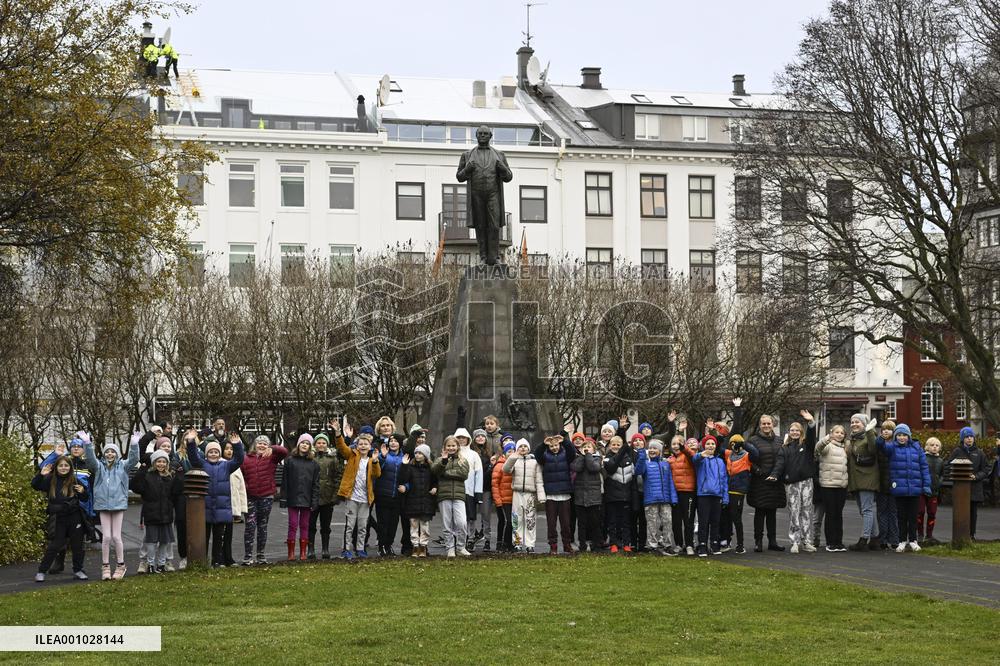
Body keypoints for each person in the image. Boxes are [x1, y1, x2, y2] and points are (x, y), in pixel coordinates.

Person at [84, 432, 139, 580]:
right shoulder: (99, 467)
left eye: (112, 451)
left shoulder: (123, 466)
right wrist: (87, 444)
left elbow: (134, 459)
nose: (110, 454)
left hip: (118, 505)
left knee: (116, 536)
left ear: (117, 454)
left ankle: (121, 565)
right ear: (103, 454)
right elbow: (90, 460)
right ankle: (106, 566)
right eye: (107, 451)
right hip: (103, 505)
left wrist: (134, 445)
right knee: (106, 537)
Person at [455, 125, 513, 265]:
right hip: (476, 195)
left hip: (493, 194)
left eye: (485, 133)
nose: (482, 135)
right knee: (480, 226)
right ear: (476, 135)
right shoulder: (467, 155)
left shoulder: (500, 155)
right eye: (480, 133)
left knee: (493, 226)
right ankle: (483, 257)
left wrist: (502, 168)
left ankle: (494, 257)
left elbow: (509, 177)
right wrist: (468, 168)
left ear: (490, 136)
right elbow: (459, 177)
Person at [187, 432, 245, 567]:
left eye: (216, 452)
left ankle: (216, 561)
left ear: (219, 454)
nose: (213, 454)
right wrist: (191, 442)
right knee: (204, 537)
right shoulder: (202, 464)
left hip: (221, 509)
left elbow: (239, 460)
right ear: (206, 454)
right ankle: (203, 561)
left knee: (219, 538)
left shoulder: (226, 466)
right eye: (211, 452)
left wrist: (237, 445)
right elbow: (193, 457)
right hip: (206, 508)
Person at [767, 411, 818, 554]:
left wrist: (811, 422)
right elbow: (779, 464)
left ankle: (807, 541)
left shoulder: (807, 445)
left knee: (807, 512)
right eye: (792, 430)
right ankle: (795, 542)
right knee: (794, 512)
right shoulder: (785, 448)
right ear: (788, 432)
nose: (794, 432)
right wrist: (774, 475)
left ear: (801, 432)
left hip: (806, 482)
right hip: (792, 484)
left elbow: (812, 437)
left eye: (797, 430)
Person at [32, 457, 89, 582]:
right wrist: (40, 475)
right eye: (61, 466)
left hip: (75, 517)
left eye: (66, 466)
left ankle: (78, 570)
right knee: (55, 545)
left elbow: (85, 498)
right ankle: (41, 571)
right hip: (58, 518)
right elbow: (35, 485)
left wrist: (83, 491)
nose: (63, 468)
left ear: (70, 467)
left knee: (77, 545)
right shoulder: (50, 480)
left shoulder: (75, 480)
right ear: (56, 467)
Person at [876, 423, 930, 552]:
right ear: (895, 436)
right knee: (901, 517)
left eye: (904, 435)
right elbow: (880, 446)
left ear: (909, 436)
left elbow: (924, 467)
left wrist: (927, 485)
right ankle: (901, 541)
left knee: (913, 516)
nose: (901, 438)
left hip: (915, 489)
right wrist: (881, 437)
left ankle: (913, 540)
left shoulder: (917, 448)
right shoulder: (892, 448)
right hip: (899, 489)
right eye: (899, 435)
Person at [129, 450, 184, 573]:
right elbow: (135, 486)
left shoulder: (170, 477)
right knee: (151, 541)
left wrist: (180, 475)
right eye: (158, 461)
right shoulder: (148, 476)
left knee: (165, 540)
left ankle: (161, 563)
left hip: (166, 514)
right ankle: (150, 563)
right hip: (151, 514)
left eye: (164, 462)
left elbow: (176, 491)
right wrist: (141, 471)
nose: (161, 464)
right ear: (154, 463)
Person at [333, 421, 380, 559]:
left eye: (366, 444)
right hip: (352, 497)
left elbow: (377, 474)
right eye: (360, 444)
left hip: (366, 499)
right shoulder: (352, 455)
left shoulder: (372, 460)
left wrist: (376, 461)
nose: (363, 446)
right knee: (350, 526)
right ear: (357, 446)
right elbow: (342, 447)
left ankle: (360, 548)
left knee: (362, 526)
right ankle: (347, 549)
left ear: (370, 446)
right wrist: (338, 432)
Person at [240, 434, 288, 565]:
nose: (261, 445)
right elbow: (242, 475)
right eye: (259, 443)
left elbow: (284, 452)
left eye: (264, 444)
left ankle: (261, 555)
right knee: (249, 526)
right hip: (250, 497)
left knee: (262, 526)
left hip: (266, 496)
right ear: (254, 445)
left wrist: (272, 448)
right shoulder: (246, 459)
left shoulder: (272, 458)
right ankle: (248, 556)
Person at [747, 414, 786, 553]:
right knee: (759, 512)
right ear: (760, 425)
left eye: (768, 423)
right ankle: (758, 542)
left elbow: (783, 459)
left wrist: (776, 474)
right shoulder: (752, 440)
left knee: (772, 513)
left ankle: (772, 541)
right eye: (763, 424)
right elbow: (747, 460)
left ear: (773, 424)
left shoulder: (780, 441)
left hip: (775, 482)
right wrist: (758, 471)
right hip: (759, 482)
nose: (766, 426)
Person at [534, 431, 576, 554]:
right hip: (551, 495)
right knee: (551, 524)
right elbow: (537, 455)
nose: (554, 448)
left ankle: (567, 544)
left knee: (566, 524)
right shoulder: (545, 457)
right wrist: (543, 444)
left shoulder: (565, 455)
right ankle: (553, 546)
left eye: (556, 445)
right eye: (551, 446)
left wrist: (564, 440)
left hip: (564, 493)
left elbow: (572, 452)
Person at [635, 438, 679, 555]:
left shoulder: (666, 464)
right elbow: (638, 471)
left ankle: (667, 544)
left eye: (655, 448)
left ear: (660, 451)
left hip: (665, 500)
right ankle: (652, 546)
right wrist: (641, 452)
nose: (652, 450)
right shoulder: (645, 464)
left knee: (667, 522)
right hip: (651, 499)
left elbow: (670, 482)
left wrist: (673, 498)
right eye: (650, 448)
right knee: (652, 523)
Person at [946, 426, 990, 540]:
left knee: (973, 513)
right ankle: (961, 534)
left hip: (975, 488)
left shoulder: (980, 453)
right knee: (961, 512)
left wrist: (976, 476)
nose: (969, 439)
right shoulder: (957, 451)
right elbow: (949, 465)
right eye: (966, 437)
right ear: (962, 439)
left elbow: (986, 469)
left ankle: (972, 534)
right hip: (960, 489)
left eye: (971, 436)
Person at [503, 437, 546, 553]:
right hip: (517, 493)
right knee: (516, 520)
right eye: (520, 446)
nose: (523, 448)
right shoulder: (514, 460)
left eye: (525, 446)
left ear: (528, 448)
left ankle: (530, 544)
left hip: (530, 494)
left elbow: (539, 480)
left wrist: (541, 496)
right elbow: (506, 469)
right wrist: (513, 456)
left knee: (530, 520)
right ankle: (517, 543)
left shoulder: (534, 462)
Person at [845, 414, 880, 551]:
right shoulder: (854, 439)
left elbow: (873, 449)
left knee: (866, 510)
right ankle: (875, 538)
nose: (854, 424)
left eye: (857, 422)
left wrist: (870, 431)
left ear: (864, 424)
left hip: (867, 478)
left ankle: (864, 539)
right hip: (857, 479)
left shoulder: (867, 436)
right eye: (852, 422)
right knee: (865, 510)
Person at [434, 435, 472, 557]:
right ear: (445, 447)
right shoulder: (440, 460)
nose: (451, 448)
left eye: (453, 445)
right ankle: (450, 548)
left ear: (457, 447)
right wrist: (444, 462)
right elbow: (435, 472)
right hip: (444, 495)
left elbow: (463, 474)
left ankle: (461, 547)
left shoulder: (463, 460)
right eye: (448, 446)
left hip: (459, 495)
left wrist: (446, 473)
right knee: (447, 524)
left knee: (461, 523)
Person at [284, 433, 320, 562]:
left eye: (307, 444)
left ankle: (303, 552)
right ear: (298, 444)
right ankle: (291, 552)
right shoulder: (290, 461)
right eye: (303, 442)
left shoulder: (314, 464)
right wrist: (284, 498)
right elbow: (285, 481)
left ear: (310, 447)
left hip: (307, 499)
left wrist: (314, 501)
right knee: (292, 525)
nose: (304, 445)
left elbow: (316, 484)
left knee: (305, 525)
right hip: (293, 498)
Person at [692, 435, 729, 556]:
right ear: (703, 446)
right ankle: (702, 545)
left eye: (712, 444)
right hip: (703, 494)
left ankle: (714, 544)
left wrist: (725, 497)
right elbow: (694, 459)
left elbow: (723, 480)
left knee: (715, 521)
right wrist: (701, 455)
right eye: (707, 443)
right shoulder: (700, 459)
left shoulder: (719, 461)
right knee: (703, 521)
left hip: (717, 495)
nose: (710, 446)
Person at [309, 433, 343, 559]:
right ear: (315, 445)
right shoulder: (311, 459)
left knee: (325, 526)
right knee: (311, 525)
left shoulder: (332, 459)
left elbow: (338, 477)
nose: (321, 445)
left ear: (327, 444)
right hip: (313, 498)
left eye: (323, 443)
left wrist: (335, 495)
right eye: (319, 443)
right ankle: (310, 549)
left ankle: (325, 549)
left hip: (328, 497)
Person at [815, 425, 849, 552]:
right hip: (828, 485)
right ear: (831, 433)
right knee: (830, 514)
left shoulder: (845, 448)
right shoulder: (827, 446)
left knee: (838, 514)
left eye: (842, 433)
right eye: (837, 432)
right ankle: (830, 543)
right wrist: (827, 438)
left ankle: (838, 542)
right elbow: (818, 447)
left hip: (841, 486)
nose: (839, 434)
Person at [399, 445, 437, 557]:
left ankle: (423, 546)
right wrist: (404, 465)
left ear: (425, 455)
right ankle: (415, 546)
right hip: (412, 501)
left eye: (420, 453)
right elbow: (403, 479)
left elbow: (435, 480)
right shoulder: (410, 467)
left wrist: (435, 488)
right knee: (414, 525)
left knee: (425, 525)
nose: (417, 455)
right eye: (416, 453)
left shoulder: (430, 468)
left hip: (426, 501)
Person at [722, 432, 757, 555]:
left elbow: (755, 454)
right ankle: (726, 541)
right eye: (732, 443)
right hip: (727, 491)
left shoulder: (747, 456)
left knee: (736, 518)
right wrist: (718, 434)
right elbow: (717, 448)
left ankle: (740, 545)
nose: (734, 446)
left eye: (736, 443)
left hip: (738, 491)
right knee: (726, 518)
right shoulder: (728, 455)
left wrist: (744, 444)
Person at [603, 435, 636, 554]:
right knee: (612, 522)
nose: (616, 446)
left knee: (625, 522)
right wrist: (620, 453)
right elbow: (611, 468)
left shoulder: (629, 459)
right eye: (613, 444)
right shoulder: (607, 458)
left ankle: (626, 543)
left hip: (626, 495)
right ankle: (614, 543)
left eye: (618, 445)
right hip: (612, 496)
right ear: (610, 445)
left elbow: (632, 476)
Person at [374, 433, 406, 557]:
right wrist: (382, 456)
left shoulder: (404, 456)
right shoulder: (385, 456)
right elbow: (378, 470)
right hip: (383, 494)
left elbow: (408, 476)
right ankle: (382, 546)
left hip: (397, 496)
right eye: (391, 441)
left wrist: (406, 487)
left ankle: (389, 545)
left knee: (393, 523)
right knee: (383, 523)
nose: (393, 443)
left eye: (396, 441)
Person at [570, 437, 604, 553]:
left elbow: (593, 467)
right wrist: (582, 456)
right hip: (580, 496)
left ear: (593, 449)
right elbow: (576, 468)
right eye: (584, 447)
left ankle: (597, 544)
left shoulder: (597, 459)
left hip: (594, 497)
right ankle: (582, 545)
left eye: (589, 447)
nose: (586, 449)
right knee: (582, 523)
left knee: (595, 522)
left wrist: (588, 456)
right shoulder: (578, 459)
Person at [454, 427, 483, 551]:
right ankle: (458, 539)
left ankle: (470, 539)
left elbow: (479, 474)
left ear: (468, 439)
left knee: (471, 517)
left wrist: (478, 493)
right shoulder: (452, 453)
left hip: (470, 491)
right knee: (457, 517)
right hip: (456, 490)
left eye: (463, 438)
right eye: (458, 438)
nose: (461, 440)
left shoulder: (474, 454)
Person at [668, 434, 697, 555]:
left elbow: (692, 455)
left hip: (688, 492)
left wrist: (684, 447)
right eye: (673, 444)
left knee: (688, 520)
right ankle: (679, 544)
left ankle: (689, 544)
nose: (676, 446)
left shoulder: (688, 456)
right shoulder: (670, 459)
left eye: (678, 444)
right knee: (676, 521)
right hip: (675, 494)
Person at [875, 420, 900, 550]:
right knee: (882, 512)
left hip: (894, 484)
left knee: (893, 513)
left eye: (889, 429)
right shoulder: (878, 445)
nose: (886, 431)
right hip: (881, 484)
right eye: (884, 429)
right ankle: (883, 539)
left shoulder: (896, 445)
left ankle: (894, 539)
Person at [471, 427, 497, 552]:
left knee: (486, 515)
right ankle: (471, 537)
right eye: (478, 436)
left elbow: (491, 473)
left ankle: (487, 539)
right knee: (471, 515)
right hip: (472, 488)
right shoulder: (471, 452)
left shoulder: (489, 453)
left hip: (485, 488)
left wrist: (491, 465)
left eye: (482, 436)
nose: (480, 438)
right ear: (474, 439)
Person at [223, 441, 247, 566]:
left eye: (231, 449)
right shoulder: (221, 464)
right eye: (226, 448)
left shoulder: (236, 467)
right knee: (220, 534)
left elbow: (241, 488)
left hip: (232, 506)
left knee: (228, 534)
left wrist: (241, 508)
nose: (229, 451)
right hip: (222, 505)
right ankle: (219, 558)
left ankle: (228, 557)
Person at [491, 439, 516, 552]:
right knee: (506, 522)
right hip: (503, 499)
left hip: (514, 499)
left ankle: (510, 543)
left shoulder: (517, 464)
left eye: (513, 451)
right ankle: (502, 543)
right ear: (505, 453)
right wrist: (498, 501)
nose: (511, 453)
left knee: (513, 523)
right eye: (509, 451)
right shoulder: (499, 465)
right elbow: (495, 484)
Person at [918, 437, 944, 543]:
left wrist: (939, 483)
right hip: (922, 491)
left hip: (934, 491)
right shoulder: (923, 458)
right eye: (932, 445)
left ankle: (929, 535)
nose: (934, 447)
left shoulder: (940, 461)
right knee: (920, 512)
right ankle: (919, 534)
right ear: (927, 446)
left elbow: (942, 474)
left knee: (932, 513)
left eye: (937, 445)